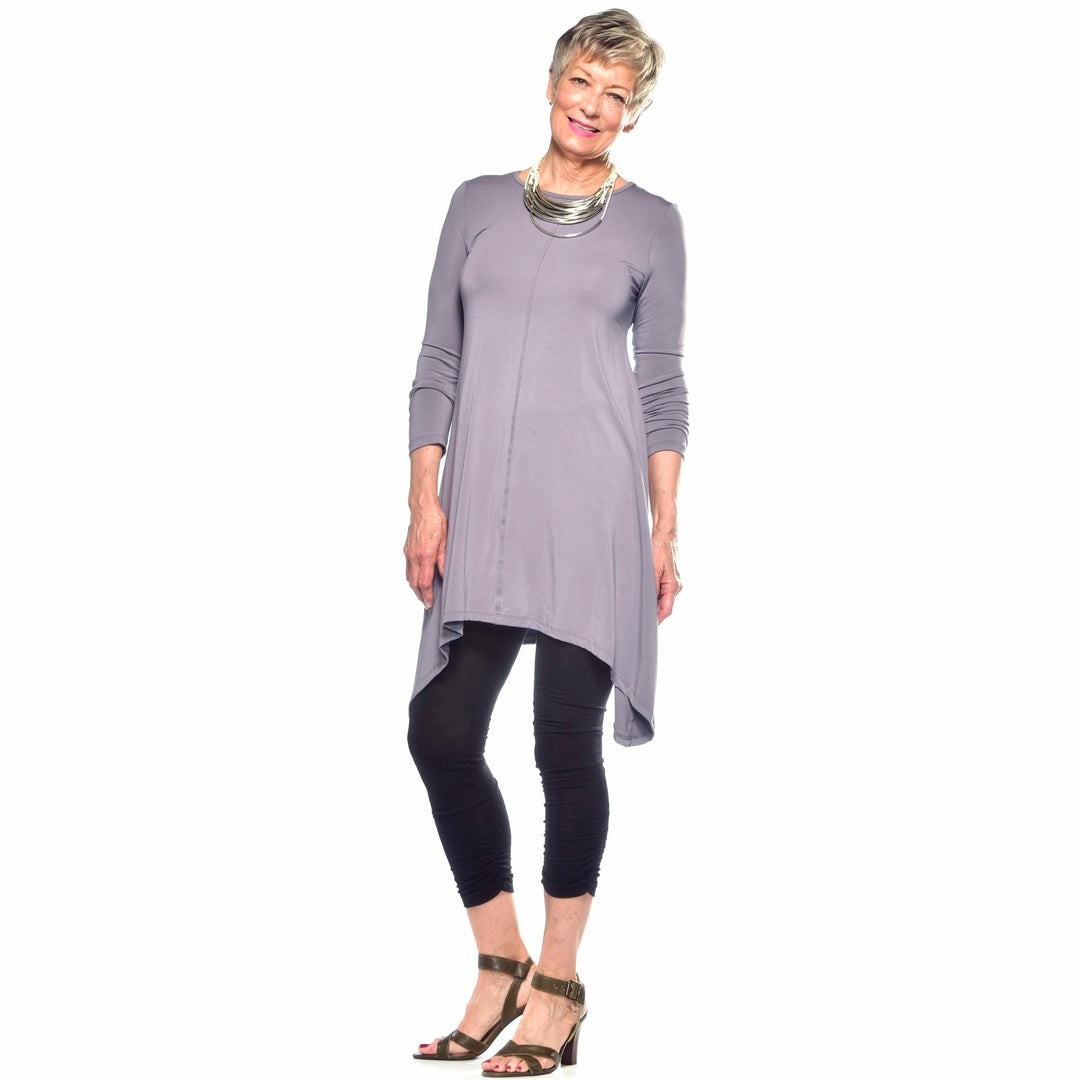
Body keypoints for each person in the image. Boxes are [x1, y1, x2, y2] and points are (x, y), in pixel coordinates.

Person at [403, 10, 688, 1075]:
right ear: (554, 82)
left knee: (562, 745)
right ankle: (502, 961)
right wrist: (424, 497)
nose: (593, 106)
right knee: (440, 730)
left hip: (594, 513)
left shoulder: (653, 224)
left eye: (617, 95)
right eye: (583, 82)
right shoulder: (476, 204)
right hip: (484, 508)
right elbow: (438, 357)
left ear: (632, 113)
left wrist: (665, 525)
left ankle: (558, 988)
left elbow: (662, 385)